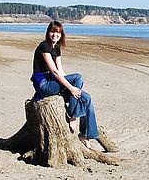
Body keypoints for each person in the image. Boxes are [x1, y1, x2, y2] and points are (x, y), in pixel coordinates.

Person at [31, 21, 101, 150]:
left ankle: (85, 136)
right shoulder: (44, 46)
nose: (54, 35)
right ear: (48, 32)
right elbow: (55, 71)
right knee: (78, 77)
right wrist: (70, 87)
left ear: (61, 34)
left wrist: (70, 87)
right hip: (44, 86)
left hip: (54, 82)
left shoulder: (56, 48)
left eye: (57, 32)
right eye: (52, 32)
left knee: (87, 98)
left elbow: (61, 70)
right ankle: (73, 116)